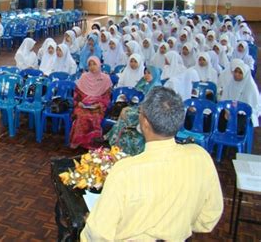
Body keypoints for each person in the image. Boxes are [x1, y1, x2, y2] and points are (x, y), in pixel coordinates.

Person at [82, 87, 223, 241]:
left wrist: (90, 222)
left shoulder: (125, 171)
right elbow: (209, 217)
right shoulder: (200, 157)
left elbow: (97, 235)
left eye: (140, 112)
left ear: (145, 122)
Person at [105, 66, 161, 155]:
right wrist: (143, 80)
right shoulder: (149, 85)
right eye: (145, 73)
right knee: (124, 112)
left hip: (149, 114)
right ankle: (115, 143)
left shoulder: (156, 88)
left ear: (155, 75)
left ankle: (115, 143)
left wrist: (132, 109)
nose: (146, 75)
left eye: (149, 73)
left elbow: (150, 106)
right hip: (142, 110)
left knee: (125, 115)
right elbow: (137, 89)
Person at [70, 56, 112, 149]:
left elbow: (107, 97)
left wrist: (99, 105)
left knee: (94, 117)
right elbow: (77, 94)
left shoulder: (105, 79)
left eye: (94, 64)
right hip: (83, 105)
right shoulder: (84, 77)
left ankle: (93, 144)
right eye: (90, 65)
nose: (92, 67)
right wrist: (79, 102)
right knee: (81, 115)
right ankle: (80, 142)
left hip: (98, 106)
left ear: (99, 65)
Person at [220, 61, 259, 127]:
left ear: (245, 74)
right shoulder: (230, 83)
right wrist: (227, 110)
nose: (237, 74)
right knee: (221, 115)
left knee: (240, 120)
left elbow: (253, 107)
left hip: (244, 114)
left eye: (240, 72)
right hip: (229, 111)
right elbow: (224, 100)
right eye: (235, 71)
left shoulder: (251, 87)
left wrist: (238, 111)